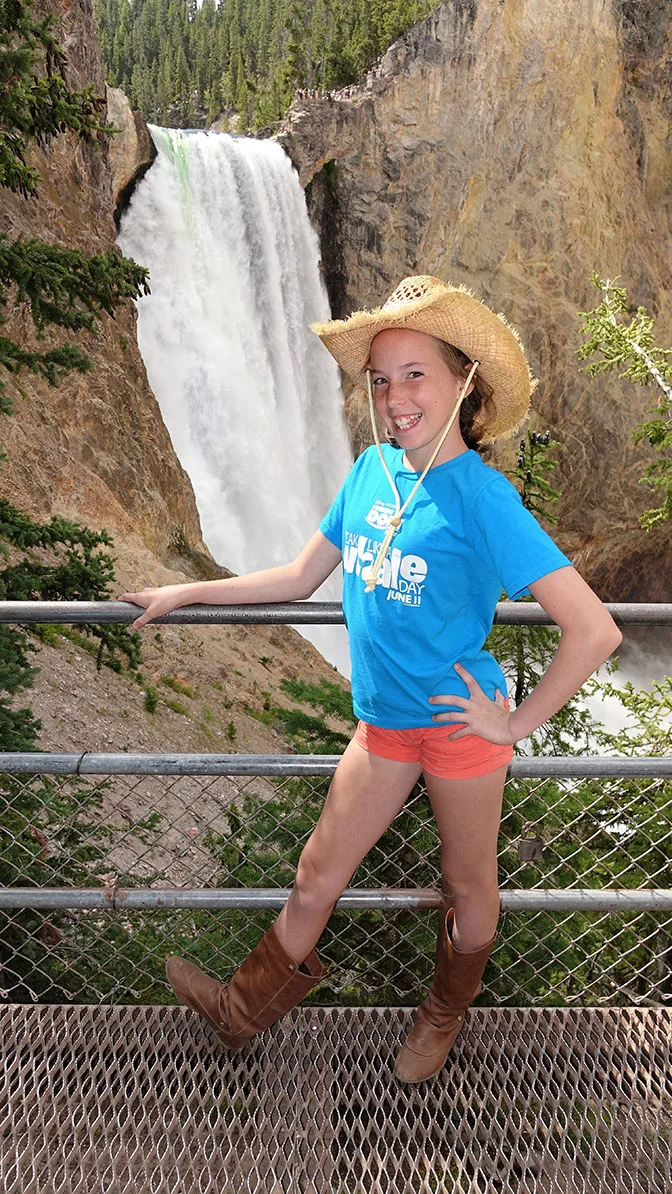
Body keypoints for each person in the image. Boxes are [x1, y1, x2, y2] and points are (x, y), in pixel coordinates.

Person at [118, 275, 622, 1083]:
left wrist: (514, 723)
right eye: (381, 379)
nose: (394, 396)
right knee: (318, 871)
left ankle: (442, 1016)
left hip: (462, 729)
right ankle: (238, 1014)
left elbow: (594, 629)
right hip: (383, 725)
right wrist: (189, 591)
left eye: (415, 373)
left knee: (466, 884)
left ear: (464, 382)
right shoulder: (368, 474)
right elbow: (296, 576)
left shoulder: (484, 498)